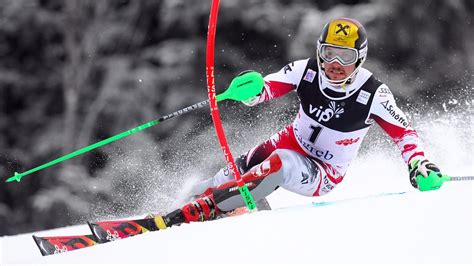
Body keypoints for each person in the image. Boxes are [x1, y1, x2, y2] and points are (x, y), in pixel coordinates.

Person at [152, 17, 443, 229]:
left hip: (324, 171)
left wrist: (419, 164)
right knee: (222, 177)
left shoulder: (373, 93)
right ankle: (176, 212)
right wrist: (250, 91)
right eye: (329, 53)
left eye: (346, 56)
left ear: (360, 59)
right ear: (320, 50)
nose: (335, 64)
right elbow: (266, 89)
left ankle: (214, 208)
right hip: (290, 141)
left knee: (282, 163)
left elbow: (405, 134)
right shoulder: (306, 70)